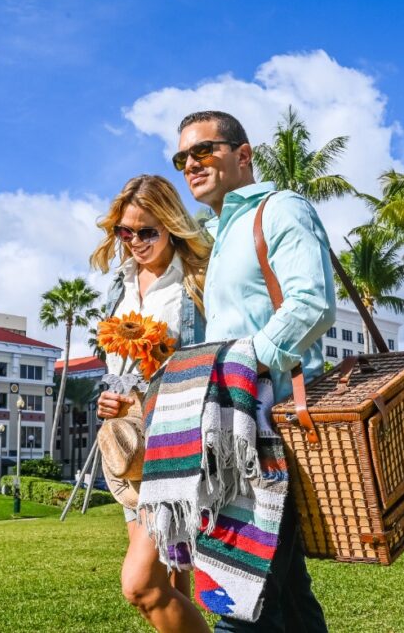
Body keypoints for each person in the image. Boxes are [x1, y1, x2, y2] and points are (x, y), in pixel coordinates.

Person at [173, 110, 335, 632]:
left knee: (239, 590)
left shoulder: (279, 209)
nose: (190, 164)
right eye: (182, 158)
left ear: (243, 154)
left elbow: (312, 302)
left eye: (204, 151)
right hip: (235, 429)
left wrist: (241, 371)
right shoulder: (218, 235)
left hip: (269, 424)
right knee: (283, 594)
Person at [92, 174, 211, 633]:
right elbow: (117, 366)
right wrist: (111, 397)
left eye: (147, 231)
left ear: (171, 224)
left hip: (176, 439)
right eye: (126, 232)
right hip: (130, 447)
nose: (136, 242)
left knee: (141, 585)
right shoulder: (118, 286)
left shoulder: (195, 280)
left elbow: (208, 358)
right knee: (172, 579)